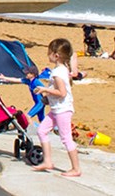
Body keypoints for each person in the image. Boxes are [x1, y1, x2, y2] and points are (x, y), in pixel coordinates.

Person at [31, 39, 82, 177]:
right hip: (56, 109)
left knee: (66, 139)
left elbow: (62, 92)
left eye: (49, 53)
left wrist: (44, 89)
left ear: (56, 55)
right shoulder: (61, 69)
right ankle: (48, 161)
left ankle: (76, 169)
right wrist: (48, 97)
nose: (48, 55)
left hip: (62, 110)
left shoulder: (58, 72)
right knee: (41, 130)